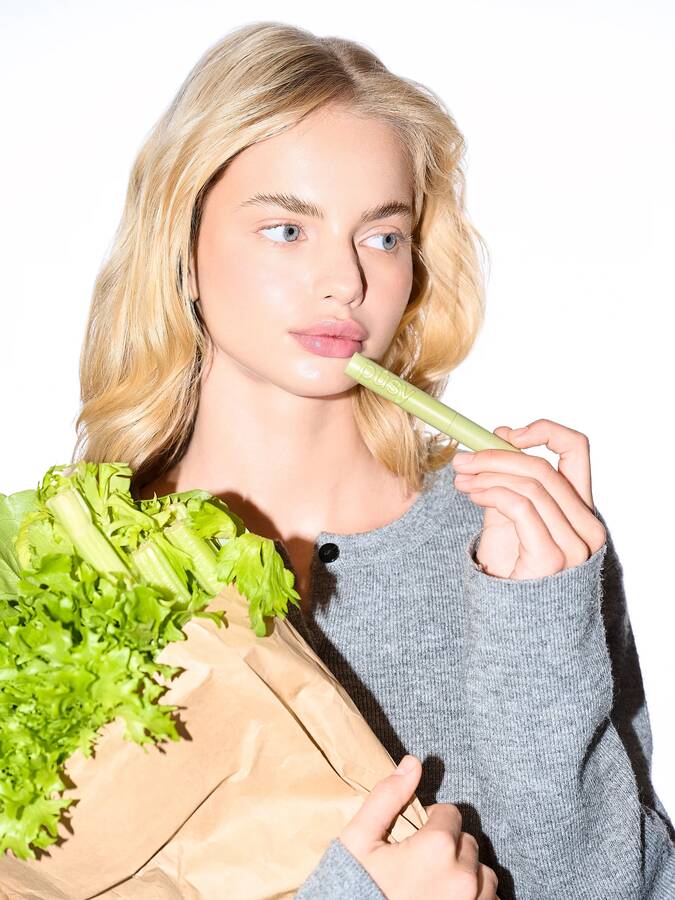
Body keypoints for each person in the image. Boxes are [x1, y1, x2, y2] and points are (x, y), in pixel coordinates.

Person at [72, 20, 675, 899]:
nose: (345, 282)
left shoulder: (516, 542)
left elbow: (616, 887)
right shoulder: (76, 568)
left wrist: (537, 626)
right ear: (183, 253)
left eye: (382, 237)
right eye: (287, 229)